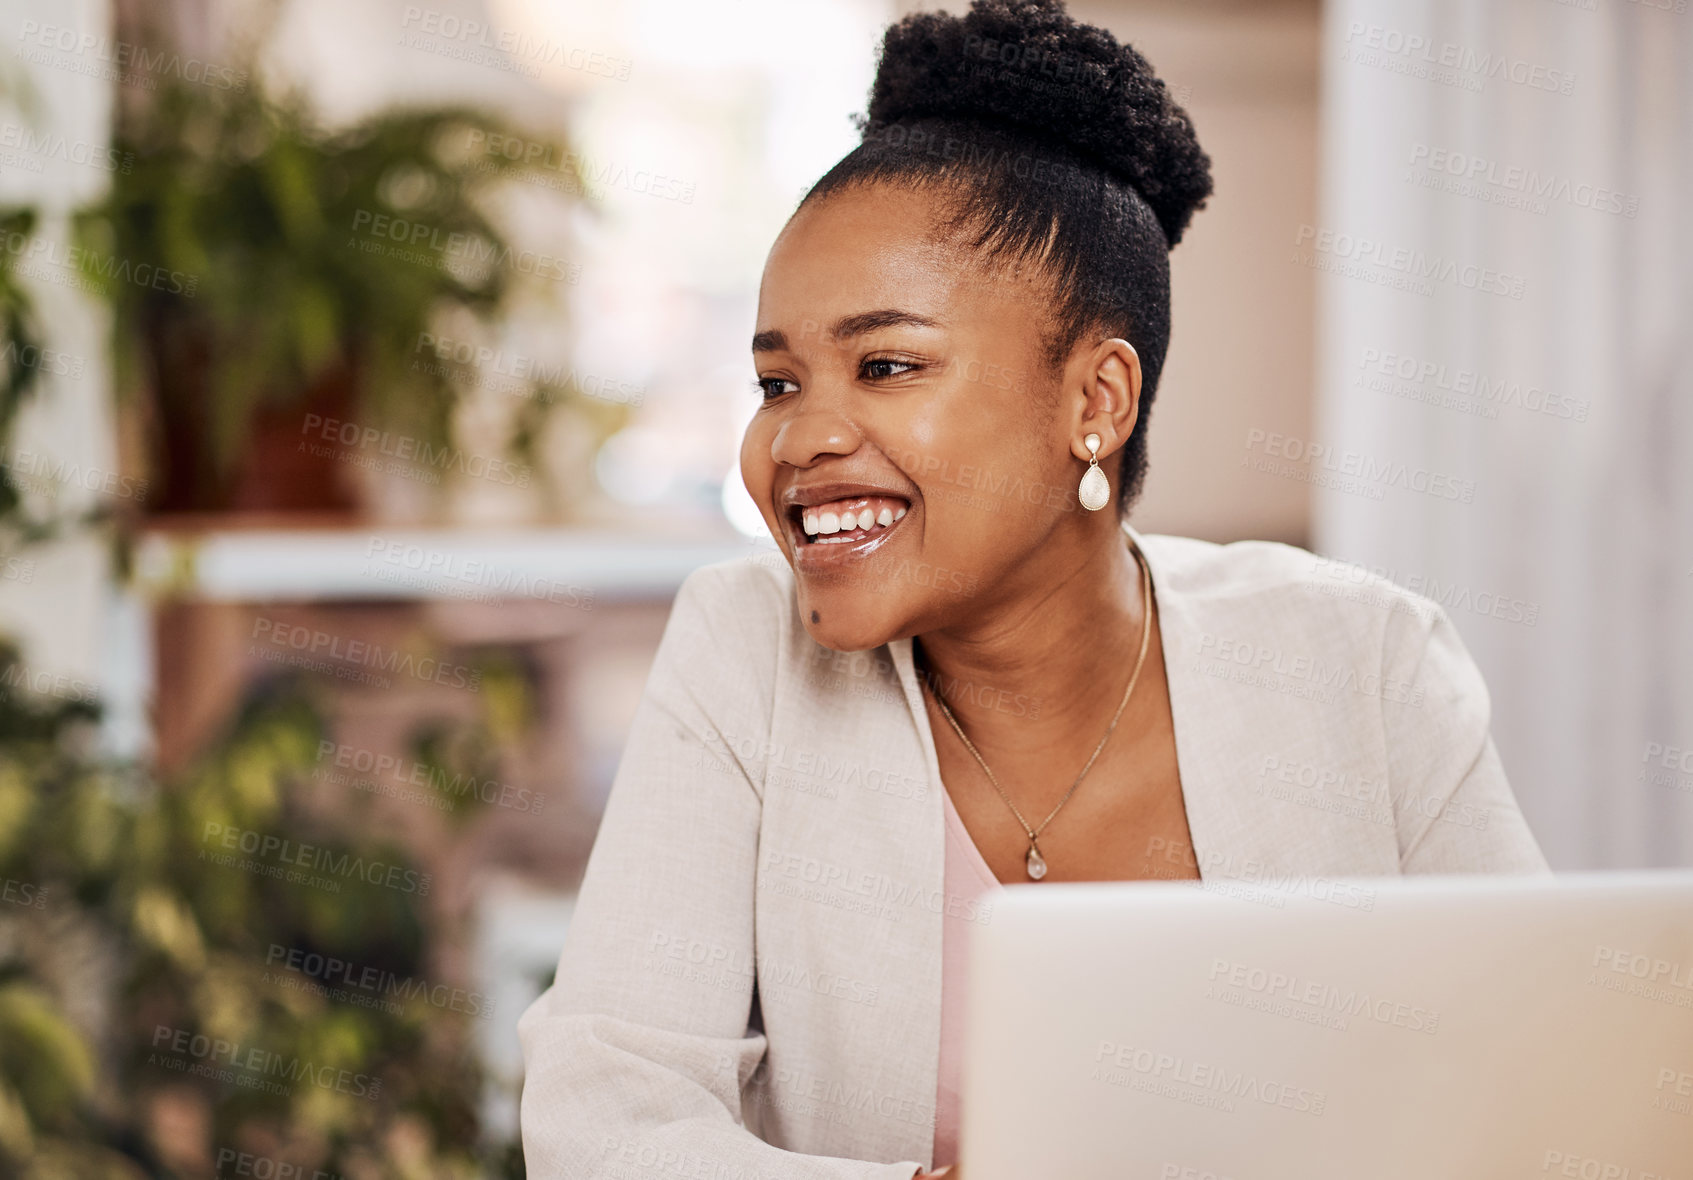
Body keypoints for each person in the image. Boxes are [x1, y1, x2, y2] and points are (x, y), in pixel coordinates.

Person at [517, 1, 1548, 1176]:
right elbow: (605, 1115)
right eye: (775, 382)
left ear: (1095, 401)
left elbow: (1531, 1083)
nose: (797, 439)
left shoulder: (1365, 663)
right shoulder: (744, 649)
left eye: (886, 364)